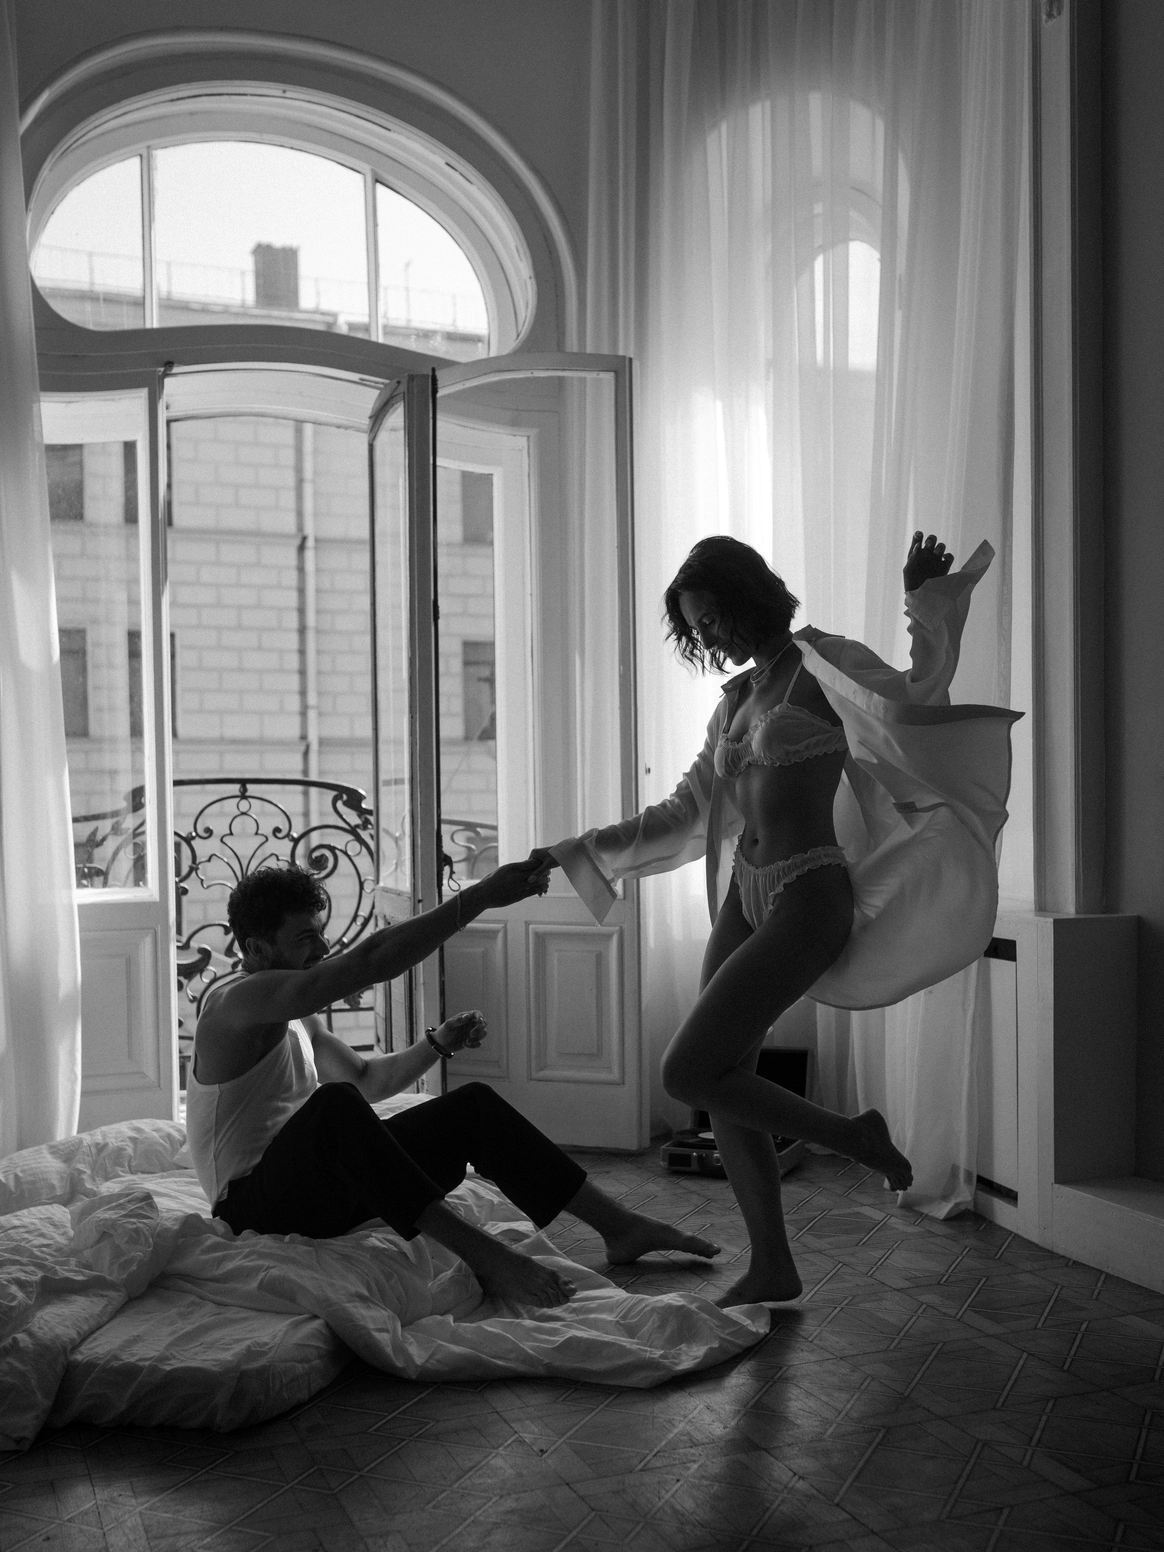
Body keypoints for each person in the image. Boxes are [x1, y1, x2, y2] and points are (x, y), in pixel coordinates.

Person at [539, 531, 1020, 1307]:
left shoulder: (823, 663)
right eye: (695, 627)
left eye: (712, 617)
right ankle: (772, 1263)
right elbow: (686, 812)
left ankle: (853, 1136)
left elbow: (913, 698)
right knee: (723, 1080)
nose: (708, 637)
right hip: (745, 891)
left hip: (807, 890)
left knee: (687, 1071)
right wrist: (577, 850)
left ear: (748, 596)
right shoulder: (734, 701)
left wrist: (924, 606)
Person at [186, 861, 719, 1310]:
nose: (323, 947)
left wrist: (436, 1044)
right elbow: (370, 963)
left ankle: (619, 1226)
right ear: (256, 948)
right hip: (250, 1207)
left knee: (470, 1107)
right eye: (306, 938)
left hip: (313, 1187)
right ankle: (491, 1259)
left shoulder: (295, 1012)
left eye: (320, 932)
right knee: (332, 1107)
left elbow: (367, 1080)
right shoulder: (234, 1004)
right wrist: (480, 897)